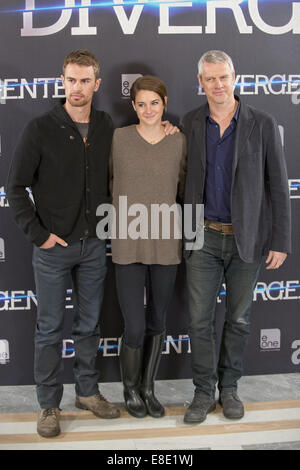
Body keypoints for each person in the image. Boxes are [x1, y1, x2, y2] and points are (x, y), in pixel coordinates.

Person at [6, 50, 122, 438]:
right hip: (53, 248)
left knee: (89, 326)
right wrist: (38, 234)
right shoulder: (41, 128)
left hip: (94, 246)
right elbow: (15, 187)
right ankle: (48, 405)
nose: (77, 88)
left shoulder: (106, 125)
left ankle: (87, 393)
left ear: (97, 84)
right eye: (71, 80)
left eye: (85, 80)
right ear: (62, 81)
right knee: (50, 328)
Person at [183, 50, 291, 424]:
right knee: (199, 320)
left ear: (235, 77)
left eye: (223, 77)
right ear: (200, 82)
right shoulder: (191, 122)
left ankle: (229, 389)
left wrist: (281, 240)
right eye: (209, 78)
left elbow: (278, 185)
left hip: (248, 238)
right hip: (203, 238)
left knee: (239, 319)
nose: (217, 85)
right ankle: (202, 391)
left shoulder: (261, 123)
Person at [110, 75, 186, 418]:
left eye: (154, 103)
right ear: (133, 106)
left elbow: (183, 189)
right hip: (128, 242)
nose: (148, 109)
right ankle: (130, 390)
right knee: (135, 325)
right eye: (141, 103)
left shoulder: (179, 140)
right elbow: (108, 183)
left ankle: (148, 388)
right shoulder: (119, 138)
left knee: (157, 320)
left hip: (166, 242)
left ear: (164, 103)